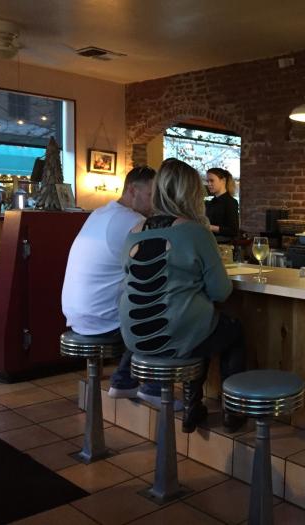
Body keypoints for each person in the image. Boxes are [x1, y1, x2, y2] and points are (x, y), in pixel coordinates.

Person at [119, 158, 246, 433]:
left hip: (134, 337)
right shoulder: (196, 232)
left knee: (200, 327)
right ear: (191, 194)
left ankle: (193, 405)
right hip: (175, 336)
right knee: (229, 329)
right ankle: (232, 410)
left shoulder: (133, 232)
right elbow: (221, 292)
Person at [62, 166, 166, 405]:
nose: (154, 203)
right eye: (151, 195)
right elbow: (157, 269)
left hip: (75, 314)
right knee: (163, 305)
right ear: (132, 190)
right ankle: (152, 387)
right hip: (102, 320)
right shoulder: (134, 220)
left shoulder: (99, 213)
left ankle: (124, 379)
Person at [205, 167, 239, 243]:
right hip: (209, 242)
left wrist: (209, 227)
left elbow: (233, 230)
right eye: (207, 181)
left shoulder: (231, 202)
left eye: (212, 180)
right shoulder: (210, 203)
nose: (209, 184)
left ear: (223, 181)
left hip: (223, 245)